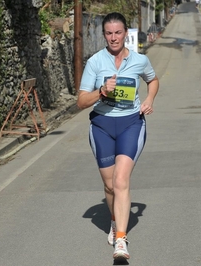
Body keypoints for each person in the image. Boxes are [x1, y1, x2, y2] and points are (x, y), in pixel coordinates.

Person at [77, 12, 159, 260]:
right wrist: (101, 91)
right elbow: (81, 101)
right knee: (110, 186)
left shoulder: (139, 60)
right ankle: (115, 221)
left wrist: (149, 99)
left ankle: (121, 240)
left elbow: (153, 80)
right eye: (109, 33)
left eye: (118, 32)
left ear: (126, 33)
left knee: (121, 181)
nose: (114, 38)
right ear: (104, 35)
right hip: (101, 126)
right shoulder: (94, 62)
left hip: (131, 124)